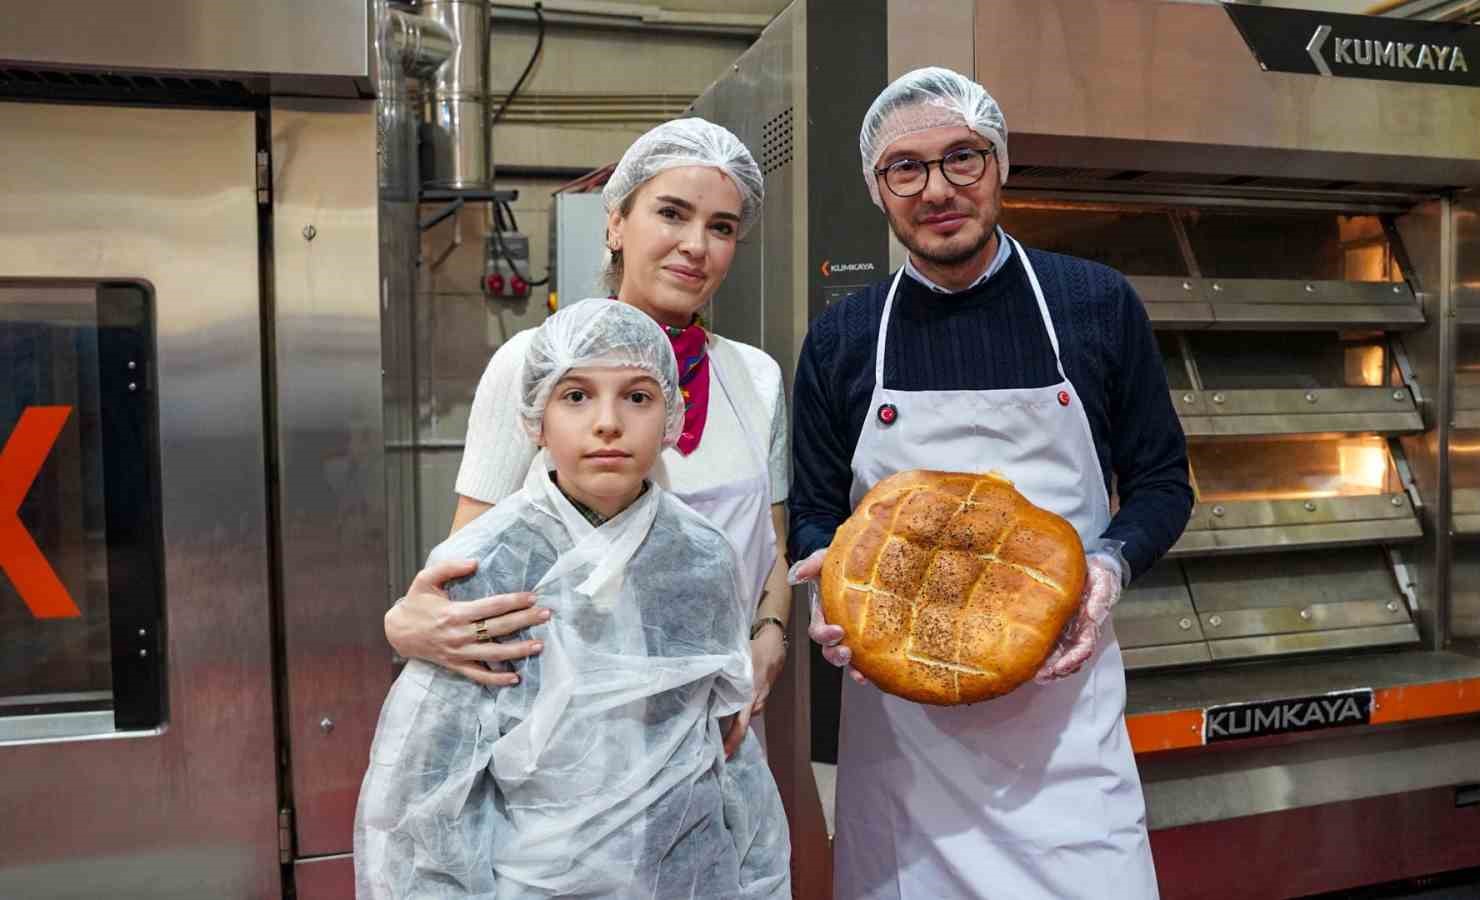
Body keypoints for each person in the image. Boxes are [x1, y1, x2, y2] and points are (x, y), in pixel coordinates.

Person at [788, 68, 1194, 899]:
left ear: (1000, 163)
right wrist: (827, 583)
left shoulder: (1094, 304)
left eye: (962, 157)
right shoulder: (842, 337)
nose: (937, 189)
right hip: (903, 753)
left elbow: (1162, 482)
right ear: (877, 188)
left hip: (1065, 737)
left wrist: (1109, 565)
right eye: (906, 168)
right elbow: (816, 513)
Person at [354, 298, 790, 898]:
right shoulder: (487, 561)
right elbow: (426, 792)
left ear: (671, 418)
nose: (608, 422)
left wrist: (760, 880)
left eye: (638, 397)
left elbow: (730, 753)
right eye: (577, 396)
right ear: (537, 419)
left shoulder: (703, 557)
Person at [385, 118, 790, 756]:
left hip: (711, 722)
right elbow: (467, 560)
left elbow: (772, 547)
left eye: (721, 227)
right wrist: (408, 624)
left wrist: (770, 634)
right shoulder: (535, 363)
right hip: (561, 737)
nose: (695, 245)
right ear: (616, 223)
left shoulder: (755, 378)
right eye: (671, 214)